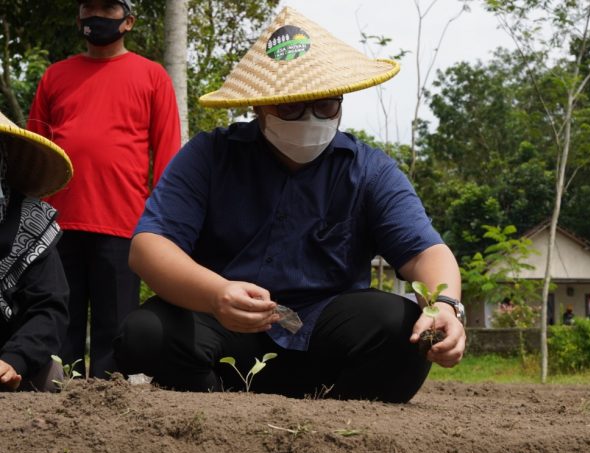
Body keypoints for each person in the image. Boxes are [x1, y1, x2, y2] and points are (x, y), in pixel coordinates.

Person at [113, 7, 465, 403]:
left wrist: (445, 305)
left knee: (401, 330)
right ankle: (218, 416)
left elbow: (426, 251)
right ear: (259, 105)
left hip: (327, 340)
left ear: (342, 102)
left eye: (325, 105)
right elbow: (149, 247)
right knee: (145, 334)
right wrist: (216, 294)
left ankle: (335, 420)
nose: (310, 118)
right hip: (223, 329)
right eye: (290, 107)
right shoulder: (210, 156)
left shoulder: (369, 171)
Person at [27, 0, 181, 379]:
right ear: (79, 17)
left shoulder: (152, 76)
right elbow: (32, 150)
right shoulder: (55, 76)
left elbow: (167, 154)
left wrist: (161, 226)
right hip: (55, 223)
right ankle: (55, 397)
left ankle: (109, 405)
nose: (96, 14)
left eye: (108, 7)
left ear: (128, 20)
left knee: (117, 329)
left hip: (123, 223)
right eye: (89, 6)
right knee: (59, 320)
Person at [0, 111, 72, 392]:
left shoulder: (32, 225)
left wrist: (14, 359)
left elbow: (49, 310)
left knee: (51, 377)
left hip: (10, 358)